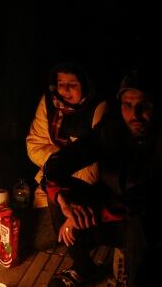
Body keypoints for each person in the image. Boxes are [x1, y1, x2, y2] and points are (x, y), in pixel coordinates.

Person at [43, 68, 162, 287]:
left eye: (143, 106)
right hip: (107, 213)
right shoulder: (112, 128)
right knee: (60, 194)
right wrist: (65, 201)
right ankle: (83, 266)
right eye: (127, 105)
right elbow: (59, 163)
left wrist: (92, 215)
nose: (134, 114)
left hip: (153, 225)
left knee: (139, 222)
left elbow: (149, 194)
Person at [26, 62, 107, 250]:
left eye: (73, 84)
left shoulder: (98, 107)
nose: (65, 90)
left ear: (85, 85)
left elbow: (94, 168)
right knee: (39, 240)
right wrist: (59, 163)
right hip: (51, 178)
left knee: (75, 233)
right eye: (61, 83)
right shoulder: (49, 102)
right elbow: (34, 145)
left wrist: (62, 169)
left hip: (88, 188)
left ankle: (86, 258)